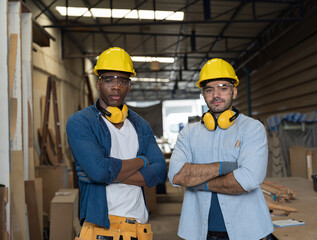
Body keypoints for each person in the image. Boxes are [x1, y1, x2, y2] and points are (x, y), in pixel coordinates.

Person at [66, 47, 167, 240]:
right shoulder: (81, 122)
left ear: (129, 86)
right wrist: (143, 161)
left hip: (139, 227)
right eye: (109, 80)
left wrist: (105, 174)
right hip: (101, 228)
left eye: (122, 81)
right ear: (98, 84)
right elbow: (99, 171)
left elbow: (160, 171)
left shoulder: (140, 125)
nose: (116, 86)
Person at [168, 58, 273, 240]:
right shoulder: (189, 133)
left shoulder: (252, 129)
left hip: (246, 232)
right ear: (203, 95)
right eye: (209, 89)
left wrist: (199, 183)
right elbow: (176, 175)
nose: (216, 94)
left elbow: (246, 181)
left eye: (223, 87)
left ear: (234, 92)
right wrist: (225, 167)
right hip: (200, 233)